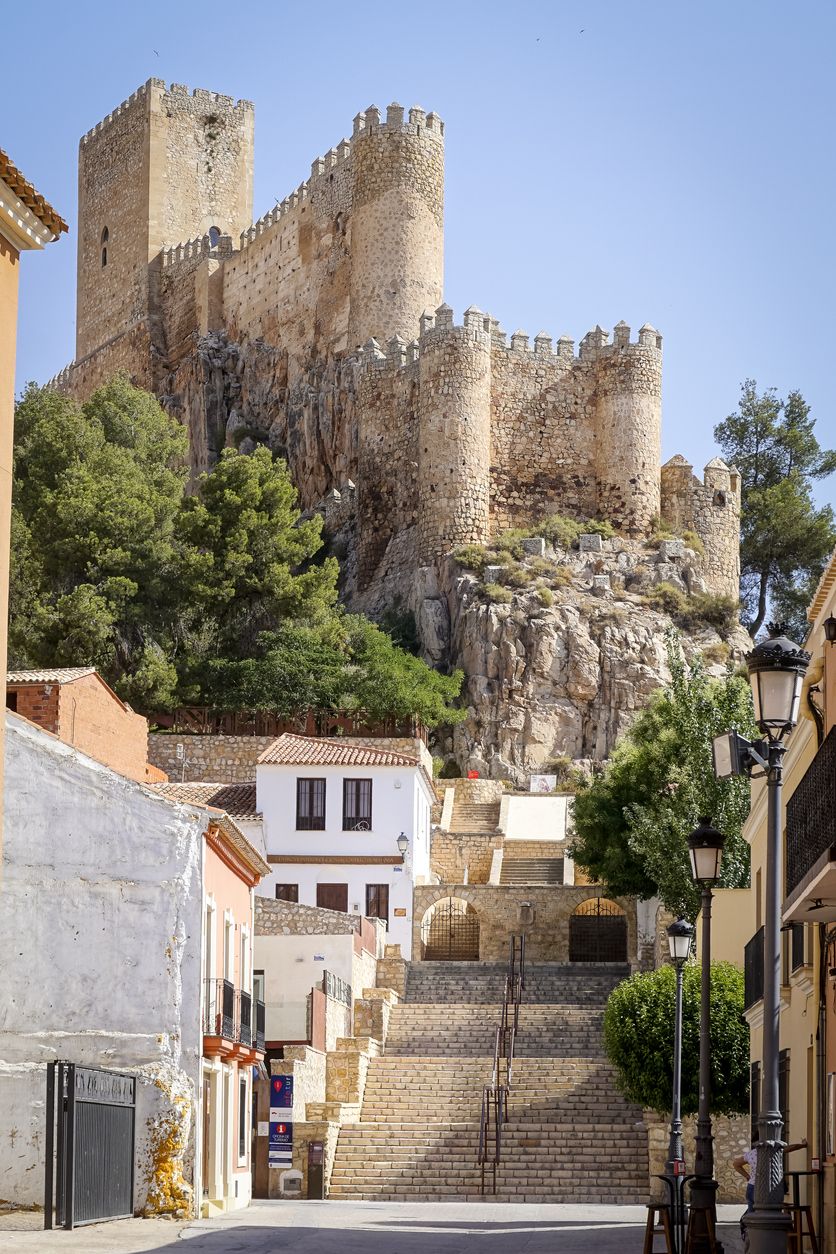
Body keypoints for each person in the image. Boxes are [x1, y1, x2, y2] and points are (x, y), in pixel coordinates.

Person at [733, 1137, 808, 1245]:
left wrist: (748, 1176)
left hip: (752, 1187)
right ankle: (767, 1244)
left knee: (752, 1217)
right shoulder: (773, 1150)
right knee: (770, 1216)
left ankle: (751, 1244)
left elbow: (736, 1163)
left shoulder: (751, 1153)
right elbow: (792, 1147)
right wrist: (803, 1145)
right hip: (767, 1188)